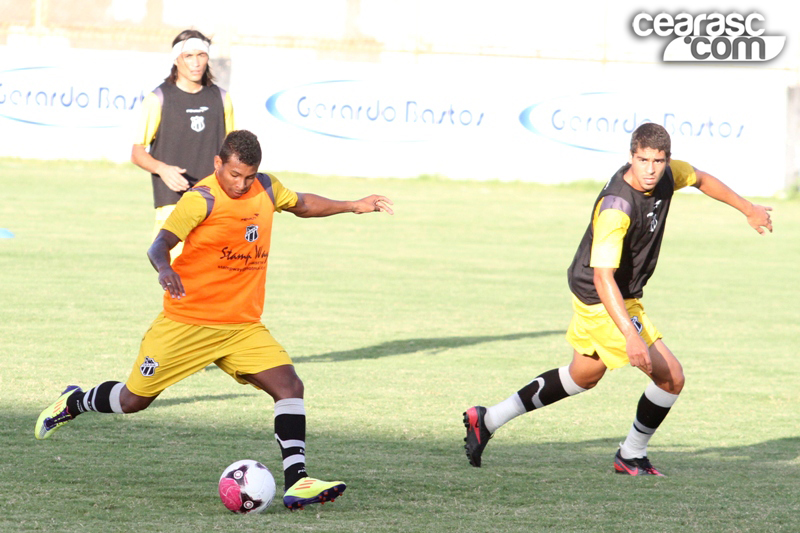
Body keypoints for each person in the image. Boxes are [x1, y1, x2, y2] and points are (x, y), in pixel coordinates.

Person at [36, 130, 394, 510]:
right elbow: (160, 243)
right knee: (132, 400)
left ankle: (298, 481)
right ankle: (75, 402)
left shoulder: (267, 188)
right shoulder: (201, 199)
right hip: (187, 323)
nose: (241, 184)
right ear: (218, 164)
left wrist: (354, 205)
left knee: (289, 387)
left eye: (249, 176)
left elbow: (302, 203)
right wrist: (163, 269)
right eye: (234, 174)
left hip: (241, 326)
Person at [463, 123, 772, 476]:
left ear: (667, 159)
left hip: (609, 292)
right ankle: (631, 453)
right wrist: (630, 334)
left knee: (583, 376)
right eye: (643, 160)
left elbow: (701, 178)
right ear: (631, 156)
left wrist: (747, 208)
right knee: (671, 378)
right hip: (602, 297)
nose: (651, 169)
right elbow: (602, 276)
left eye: (658, 161)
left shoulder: (671, 174)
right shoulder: (617, 206)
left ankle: (488, 418)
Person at [131, 29, 235, 259]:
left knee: (212, 282)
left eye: (201, 55)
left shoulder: (221, 99)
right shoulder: (157, 99)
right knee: (176, 279)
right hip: (172, 206)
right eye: (189, 56)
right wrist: (162, 169)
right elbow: (137, 152)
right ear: (176, 59)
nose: (196, 62)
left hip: (214, 205)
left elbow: (232, 154)